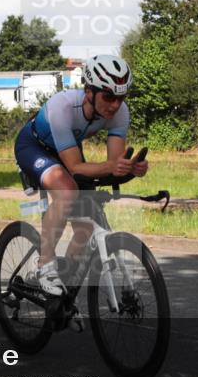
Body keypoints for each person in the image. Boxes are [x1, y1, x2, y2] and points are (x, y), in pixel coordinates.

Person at [13, 55, 148, 297]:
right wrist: (113, 167)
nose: (115, 105)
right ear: (88, 92)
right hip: (34, 147)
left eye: (121, 97)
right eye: (108, 97)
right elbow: (75, 167)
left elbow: (113, 164)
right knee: (67, 191)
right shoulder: (62, 107)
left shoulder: (120, 113)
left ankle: (65, 283)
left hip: (67, 148)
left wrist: (130, 168)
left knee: (87, 219)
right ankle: (45, 265)